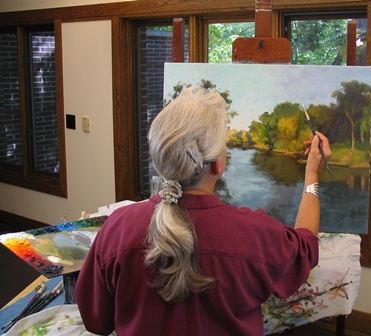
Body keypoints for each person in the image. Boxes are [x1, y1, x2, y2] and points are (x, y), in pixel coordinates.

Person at [75, 86, 332, 336]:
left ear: (161, 159)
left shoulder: (118, 228)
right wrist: (311, 173)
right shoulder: (254, 234)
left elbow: (96, 321)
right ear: (218, 164)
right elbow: (305, 247)